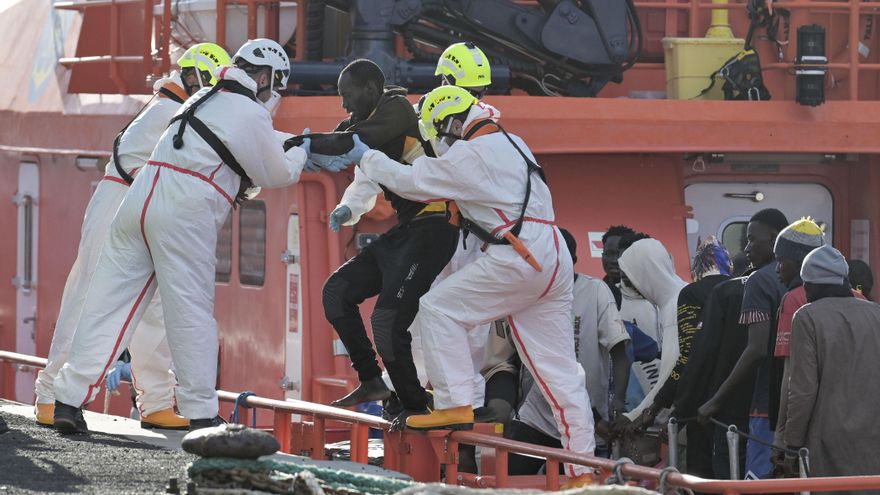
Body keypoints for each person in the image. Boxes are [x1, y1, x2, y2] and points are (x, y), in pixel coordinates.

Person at [336, 85, 595, 486]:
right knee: (560, 376)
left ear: (452, 124)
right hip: (551, 254)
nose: (439, 141)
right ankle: (584, 472)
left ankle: (456, 403)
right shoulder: (513, 142)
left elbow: (414, 182)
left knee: (439, 308)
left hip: (517, 255)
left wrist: (364, 156)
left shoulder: (470, 153)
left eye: (440, 132)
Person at [53, 38, 309, 434]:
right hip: (183, 212)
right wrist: (303, 149)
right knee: (190, 315)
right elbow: (277, 174)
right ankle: (202, 413)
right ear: (264, 76)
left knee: (105, 307)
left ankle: (66, 401)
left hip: (137, 203)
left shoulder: (199, 99)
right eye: (274, 85)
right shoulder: (249, 112)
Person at [33, 43, 232, 431]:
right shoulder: (166, 111)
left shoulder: (173, 110)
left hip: (144, 201)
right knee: (89, 296)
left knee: (154, 307)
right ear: (191, 77)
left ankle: (156, 402)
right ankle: (51, 394)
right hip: (123, 197)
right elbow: (127, 158)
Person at [307, 59, 457, 428]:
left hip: (435, 228)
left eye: (347, 96)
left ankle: (414, 405)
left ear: (371, 90)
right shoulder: (370, 122)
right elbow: (361, 167)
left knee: (388, 321)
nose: (343, 106)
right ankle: (372, 381)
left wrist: (304, 145)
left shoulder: (397, 109)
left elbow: (351, 145)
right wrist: (346, 209)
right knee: (336, 292)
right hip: (409, 231)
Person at [508, 228, 629, 474]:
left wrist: (617, 402)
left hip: (582, 421)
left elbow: (619, 350)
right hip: (537, 416)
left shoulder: (595, 291)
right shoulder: (531, 293)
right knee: (512, 480)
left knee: (576, 487)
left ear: (571, 260)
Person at [698, 208, 789, 479]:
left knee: (757, 482)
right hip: (800, 406)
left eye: (752, 240)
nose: (747, 248)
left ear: (774, 239)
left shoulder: (759, 280)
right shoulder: (804, 281)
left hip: (766, 406)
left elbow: (756, 349)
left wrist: (715, 401)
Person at [784, 245, 880, 488]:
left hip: (828, 442)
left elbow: (803, 390)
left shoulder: (808, 317)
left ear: (811, 284)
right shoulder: (876, 313)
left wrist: (791, 445)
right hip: (873, 441)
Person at [639, 237, 733, 478]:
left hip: (701, 404)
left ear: (697, 266)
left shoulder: (691, 294)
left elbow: (689, 356)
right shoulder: (741, 288)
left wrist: (668, 409)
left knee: (699, 479)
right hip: (735, 402)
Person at [674, 269, 754, 479]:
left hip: (725, 414)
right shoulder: (784, 288)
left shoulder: (721, 293)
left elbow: (698, 356)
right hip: (768, 414)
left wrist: (679, 411)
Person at [615, 238, 687, 433]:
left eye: (632, 281)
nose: (633, 289)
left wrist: (636, 415)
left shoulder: (675, 305)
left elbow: (672, 372)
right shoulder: (676, 297)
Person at [768, 218, 826, 456]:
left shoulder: (793, 300)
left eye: (781, 260)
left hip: (806, 427)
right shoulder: (858, 299)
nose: (777, 268)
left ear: (801, 262)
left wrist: (782, 436)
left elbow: (789, 377)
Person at [615, 232, 660, 412]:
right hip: (626, 411)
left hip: (665, 406)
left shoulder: (670, 298)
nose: (624, 269)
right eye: (621, 263)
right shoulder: (609, 298)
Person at [601, 225, 636, 309]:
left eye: (621, 254)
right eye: (609, 253)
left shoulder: (649, 296)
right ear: (602, 256)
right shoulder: (595, 291)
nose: (614, 260)